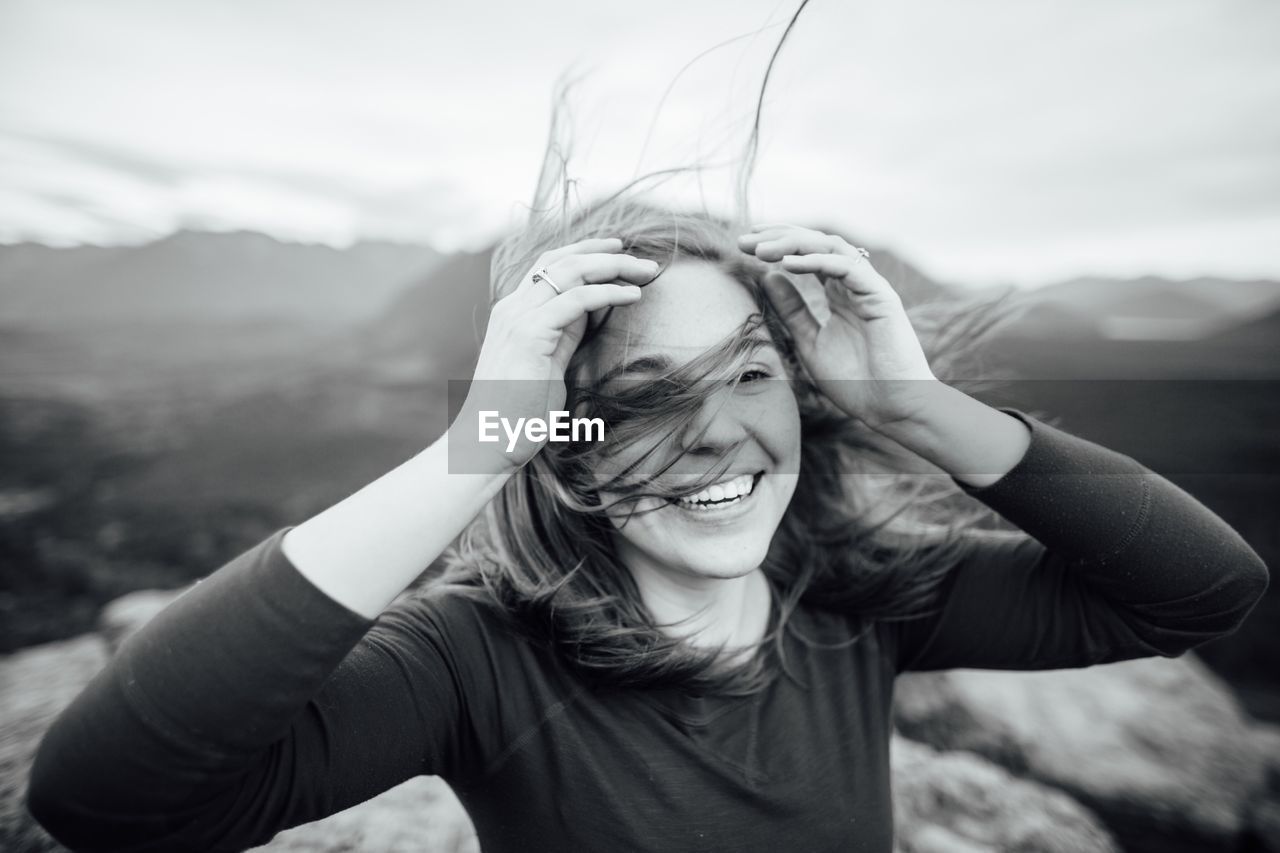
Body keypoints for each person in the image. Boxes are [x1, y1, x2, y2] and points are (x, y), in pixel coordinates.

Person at [23, 192, 1270, 851]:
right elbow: (108, 800)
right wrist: (483, 442)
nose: (720, 438)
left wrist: (910, 403)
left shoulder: (858, 594)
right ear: (557, 443)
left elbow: (1199, 590)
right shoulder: (475, 659)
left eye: (748, 372)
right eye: (634, 402)